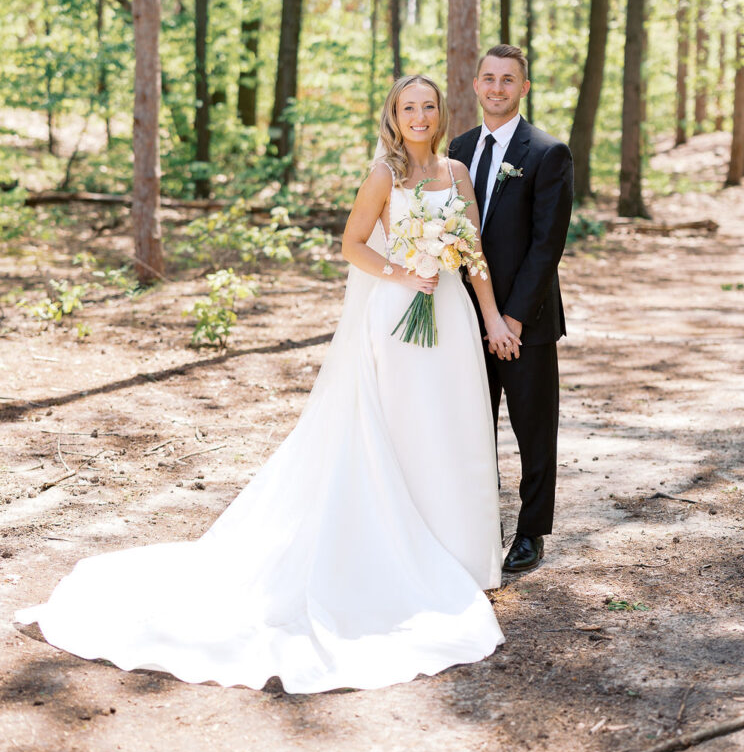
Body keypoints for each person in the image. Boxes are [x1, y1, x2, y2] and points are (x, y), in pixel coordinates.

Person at [16, 74, 517, 694]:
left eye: (428, 106)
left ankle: (457, 556)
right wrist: (401, 269)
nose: (419, 115)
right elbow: (352, 244)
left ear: (442, 113)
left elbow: (473, 255)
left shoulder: (458, 173)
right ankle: (397, 551)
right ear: (394, 114)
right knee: (401, 430)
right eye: (408, 107)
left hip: (452, 319)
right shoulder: (384, 174)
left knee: (451, 431)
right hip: (397, 313)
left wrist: (491, 314)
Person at [449, 45, 574, 574]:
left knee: (532, 428)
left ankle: (530, 533)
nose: (497, 88)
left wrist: (513, 318)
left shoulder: (548, 153)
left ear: (524, 88)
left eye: (508, 80)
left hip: (527, 322)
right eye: (489, 78)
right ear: (475, 85)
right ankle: (476, 529)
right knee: (471, 427)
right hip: (464, 317)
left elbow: (548, 244)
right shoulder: (456, 148)